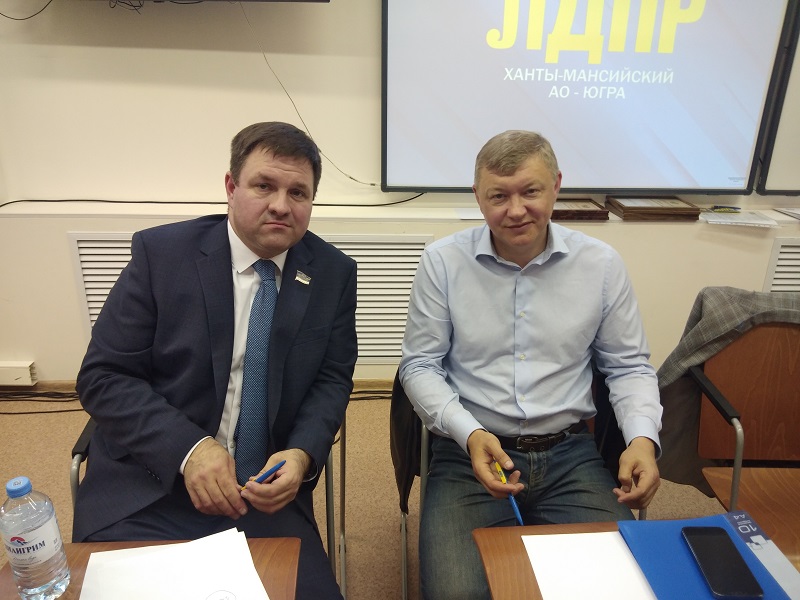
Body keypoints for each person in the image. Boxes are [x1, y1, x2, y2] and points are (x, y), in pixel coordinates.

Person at [74, 122, 357, 600]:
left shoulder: (333, 273)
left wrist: (302, 453)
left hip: (264, 497)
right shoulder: (161, 255)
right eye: (263, 186)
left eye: (298, 192)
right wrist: (190, 450)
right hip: (152, 486)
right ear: (230, 186)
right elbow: (104, 376)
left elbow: (332, 380)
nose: (281, 205)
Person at [399, 130, 662, 600]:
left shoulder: (601, 265)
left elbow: (628, 368)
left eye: (530, 191)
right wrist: (470, 434)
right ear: (478, 197)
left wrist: (642, 441)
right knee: (457, 595)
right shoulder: (443, 262)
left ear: (556, 185)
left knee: (622, 587)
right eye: (498, 196)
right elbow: (420, 366)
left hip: (570, 455)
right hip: (471, 453)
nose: (516, 210)